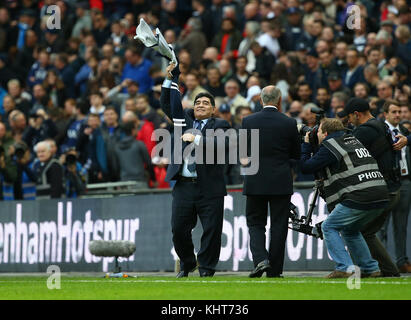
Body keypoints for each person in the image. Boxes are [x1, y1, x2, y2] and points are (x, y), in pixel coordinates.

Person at [160, 61, 230, 278]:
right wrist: (170, 79)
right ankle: (188, 262)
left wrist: (197, 139)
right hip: (183, 186)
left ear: (213, 109)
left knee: (211, 230)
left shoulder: (221, 125)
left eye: (206, 103)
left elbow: (221, 146)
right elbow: (168, 106)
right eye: (197, 102)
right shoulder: (184, 122)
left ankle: (207, 267)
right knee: (178, 229)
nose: (200, 105)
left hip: (210, 187)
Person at [301, 118, 389, 278]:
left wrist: (306, 145)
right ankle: (370, 268)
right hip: (381, 194)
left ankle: (345, 267)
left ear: (326, 133)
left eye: (319, 131)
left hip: (360, 195)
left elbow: (306, 166)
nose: (317, 134)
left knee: (328, 226)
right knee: (350, 229)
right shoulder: (353, 140)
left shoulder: (330, 145)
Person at [241, 85, 301, 278]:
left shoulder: (248, 121)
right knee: (279, 225)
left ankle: (260, 260)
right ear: (279, 100)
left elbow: (244, 151)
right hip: (281, 181)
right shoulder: (289, 122)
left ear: (261, 100)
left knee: (255, 223)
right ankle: (275, 270)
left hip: (255, 179)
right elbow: (296, 154)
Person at [338, 98, 401, 277]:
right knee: (366, 230)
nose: (349, 122)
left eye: (350, 117)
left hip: (382, 190)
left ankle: (382, 270)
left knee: (361, 230)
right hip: (392, 188)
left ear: (356, 114)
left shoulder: (364, 131)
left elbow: (345, 155)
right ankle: (375, 269)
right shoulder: (381, 126)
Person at [380, 100, 411, 273]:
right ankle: (381, 261)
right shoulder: (381, 131)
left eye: (399, 111)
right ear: (386, 114)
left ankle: (401, 260)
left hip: (405, 180)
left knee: (402, 224)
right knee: (381, 224)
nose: (398, 115)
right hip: (387, 182)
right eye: (394, 112)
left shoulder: (404, 131)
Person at [114, 121, 155, 188]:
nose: (138, 131)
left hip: (124, 183)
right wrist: (153, 179)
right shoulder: (139, 144)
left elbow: (116, 167)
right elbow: (148, 163)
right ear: (133, 131)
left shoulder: (117, 147)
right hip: (140, 181)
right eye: (136, 129)